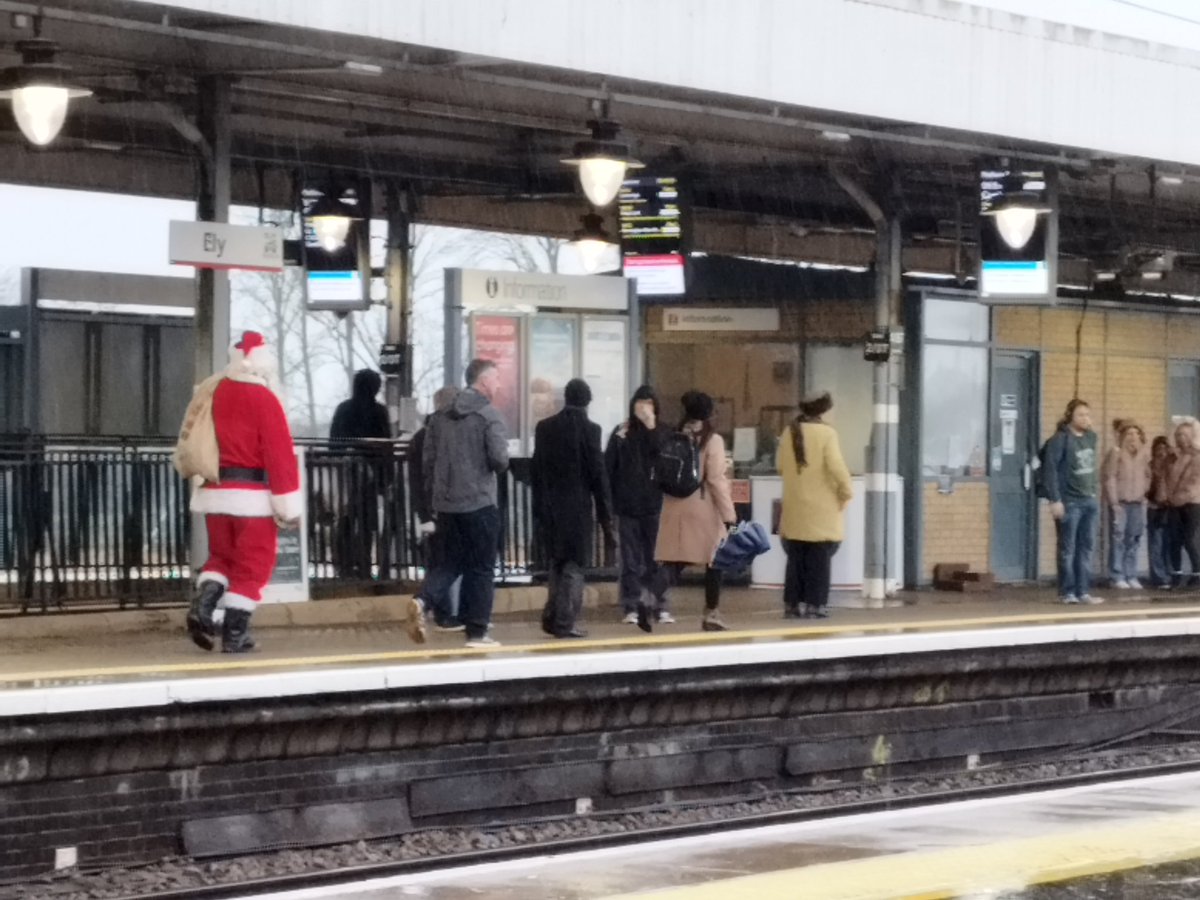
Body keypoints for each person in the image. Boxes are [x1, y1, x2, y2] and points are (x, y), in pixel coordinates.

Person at [184, 331, 302, 653]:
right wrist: (289, 505)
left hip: (214, 491)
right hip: (252, 496)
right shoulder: (265, 399)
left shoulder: (213, 391)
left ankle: (202, 607)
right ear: (262, 363)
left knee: (222, 557)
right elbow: (279, 455)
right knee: (254, 565)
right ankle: (235, 636)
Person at [408, 359, 509, 647]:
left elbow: (427, 462)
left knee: (450, 562)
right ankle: (477, 632)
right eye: (497, 379)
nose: (499, 385)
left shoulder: (440, 417)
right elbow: (500, 461)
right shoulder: (489, 416)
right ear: (485, 380)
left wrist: (435, 498)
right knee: (481, 567)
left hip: (447, 506)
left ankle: (422, 599)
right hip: (479, 503)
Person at [532, 378, 615, 639]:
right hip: (577, 508)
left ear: (565, 398)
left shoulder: (544, 428)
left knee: (556, 563)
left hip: (550, 507)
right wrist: (605, 516)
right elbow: (597, 475)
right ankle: (566, 620)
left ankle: (551, 616)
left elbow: (536, 470)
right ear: (587, 401)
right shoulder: (590, 430)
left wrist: (539, 506)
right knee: (574, 565)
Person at [655, 390, 737, 632]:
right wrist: (729, 515)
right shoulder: (713, 441)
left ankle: (646, 597)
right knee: (716, 559)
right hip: (702, 508)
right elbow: (716, 479)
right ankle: (711, 613)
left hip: (673, 505)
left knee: (674, 561)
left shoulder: (675, 435)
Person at [775, 392, 854, 619]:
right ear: (823, 411)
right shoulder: (827, 433)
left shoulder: (788, 431)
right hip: (822, 508)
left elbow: (780, 465)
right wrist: (847, 491)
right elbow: (836, 466)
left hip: (795, 505)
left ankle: (792, 604)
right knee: (819, 560)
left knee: (796, 558)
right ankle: (815, 605)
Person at [606, 385, 672, 630]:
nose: (643, 408)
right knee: (630, 561)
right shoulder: (621, 432)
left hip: (655, 504)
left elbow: (663, 456)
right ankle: (631, 605)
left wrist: (651, 425)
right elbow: (609, 466)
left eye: (649, 403)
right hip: (627, 505)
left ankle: (659, 604)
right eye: (639, 403)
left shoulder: (663, 431)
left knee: (657, 559)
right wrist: (611, 501)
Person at [407, 386, 462, 631]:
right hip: (444, 507)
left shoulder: (420, 436)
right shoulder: (445, 435)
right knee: (449, 560)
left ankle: (436, 609)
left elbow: (415, 479)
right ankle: (433, 607)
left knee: (436, 560)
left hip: (428, 509)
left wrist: (422, 512)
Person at [329, 369, 391, 579]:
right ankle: (364, 566)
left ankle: (343, 566)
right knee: (367, 523)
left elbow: (333, 444)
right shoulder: (379, 412)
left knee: (345, 519)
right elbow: (386, 446)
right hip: (371, 477)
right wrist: (386, 479)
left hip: (345, 475)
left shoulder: (343, 409)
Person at [1041, 399, 1103, 605]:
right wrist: (1055, 499)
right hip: (1069, 501)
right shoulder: (1059, 440)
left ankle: (1083, 590)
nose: (1086, 419)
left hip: (1089, 499)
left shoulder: (1091, 437)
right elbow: (1050, 470)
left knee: (1086, 547)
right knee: (1068, 548)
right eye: (1080, 415)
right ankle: (1067, 592)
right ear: (1070, 417)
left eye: (1088, 414)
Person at [1102, 422, 1150, 590]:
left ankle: (1131, 575)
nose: (1133, 437)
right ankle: (1117, 576)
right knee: (1118, 539)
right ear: (1122, 436)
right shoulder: (1116, 453)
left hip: (1137, 504)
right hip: (1120, 504)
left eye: (1136, 434)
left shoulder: (1143, 455)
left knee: (1134, 540)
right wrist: (1113, 502)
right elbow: (1109, 478)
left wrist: (1144, 493)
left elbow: (1148, 476)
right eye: (1129, 433)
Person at [1166, 417, 1200, 589]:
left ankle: (1197, 573)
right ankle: (1176, 574)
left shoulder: (1197, 457)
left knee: (1189, 538)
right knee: (1174, 540)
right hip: (1174, 503)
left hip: (1193, 503)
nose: (1181, 438)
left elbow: (1195, 482)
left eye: (1185, 435)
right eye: (1178, 435)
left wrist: (1180, 498)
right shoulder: (1175, 456)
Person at [1147, 434, 1176, 590]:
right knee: (1156, 544)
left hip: (1169, 508)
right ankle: (1159, 577)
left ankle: (1168, 574)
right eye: (1159, 448)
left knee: (1167, 543)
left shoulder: (1172, 464)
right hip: (1155, 508)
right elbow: (1147, 487)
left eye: (1165, 448)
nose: (1162, 451)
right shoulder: (1151, 466)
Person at [330, 369, 390, 441]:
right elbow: (387, 440)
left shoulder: (342, 409)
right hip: (374, 452)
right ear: (375, 388)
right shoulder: (380, 411)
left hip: (346, 452)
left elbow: (333, 441)